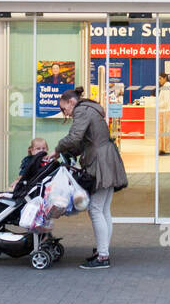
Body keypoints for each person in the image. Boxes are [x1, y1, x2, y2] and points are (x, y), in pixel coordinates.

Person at [52, 88, 128, 270]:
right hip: (108, 158)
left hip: (101, 162)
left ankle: (103, 256)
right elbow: (85, 141)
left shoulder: (81, 110)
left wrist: (57, 149)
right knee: (103, 209)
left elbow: (75, 137)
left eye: (64, 109)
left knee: (95, 209)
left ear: (71, 102)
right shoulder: (90, 109)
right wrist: (70, 151)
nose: (65, 113)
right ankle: (103, 250)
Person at [157, 73, 170, 155]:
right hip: (162, 112)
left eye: (160, 78)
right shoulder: (165, 86)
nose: (159, 80)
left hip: (165, 112)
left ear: (165, 78)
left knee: (166, 131)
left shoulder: (167, 86)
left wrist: (156, 104)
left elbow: (166, 102)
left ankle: (166, 149)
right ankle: (163, 149)